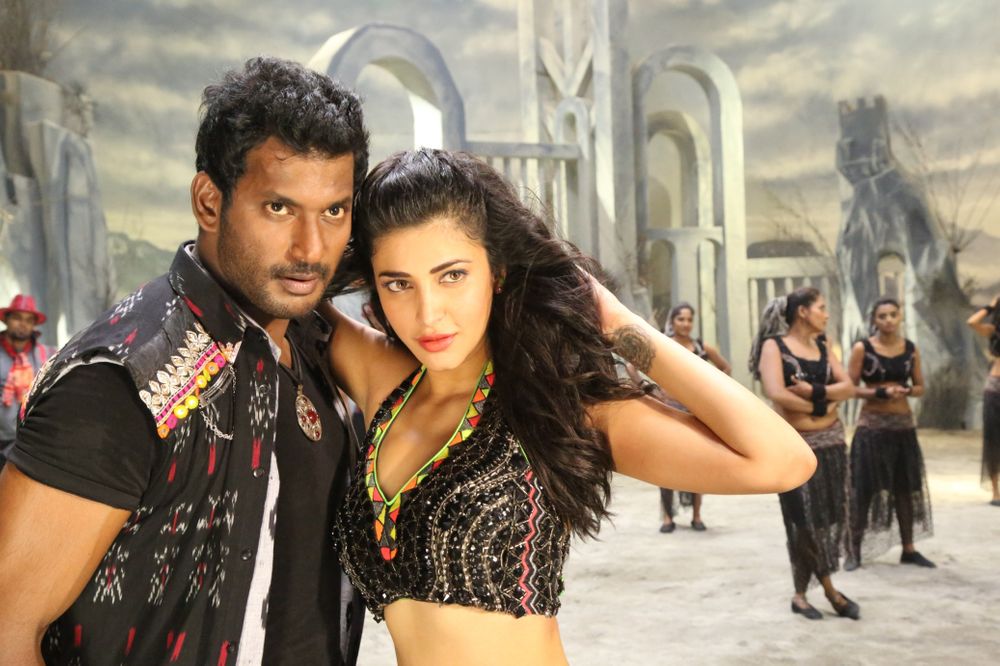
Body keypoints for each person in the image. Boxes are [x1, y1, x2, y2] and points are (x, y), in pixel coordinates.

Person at [322, 148, 817, 664]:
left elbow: (782, 461)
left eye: (452, 276)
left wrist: (617, 322)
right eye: (399, 283)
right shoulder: (384, 381)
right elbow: (287, 287)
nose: (428, 314)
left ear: (498, 272)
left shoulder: (555, 406)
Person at [0, 57, 369, 665]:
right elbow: (7, 626)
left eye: (333, 211)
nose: (311, 247)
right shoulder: (119, 383)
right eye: (279, 208)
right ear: (208, 201)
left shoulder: (316, 344)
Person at [749, 287, 859, 621]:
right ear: (802, 312)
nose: (826, 314)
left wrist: (813, 392)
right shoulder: (775, 346)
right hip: (794, 449)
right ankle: (828, 591)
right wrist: (824, 405)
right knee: (802, 521)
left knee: (827, 519)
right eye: (821, 307)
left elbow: (849, 387)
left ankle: (801, 594)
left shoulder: (823, 345)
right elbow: (777, 393)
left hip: (833, 446)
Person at [846, 297, 934, 568]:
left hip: (903, 427)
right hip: (872, 427)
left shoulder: (910, 349)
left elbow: (920, 386)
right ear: (874, 320)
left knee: (906, 488)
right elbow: (848, 388)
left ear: (900, 317)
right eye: (882, 316)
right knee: (864, 489)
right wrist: (879, 392)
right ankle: (853, 550)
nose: (888, 320)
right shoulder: (863, 348)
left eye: (893, 314)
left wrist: (907, 390)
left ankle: (908, 549)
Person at [658, 301, 731, 533]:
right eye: (681, 319)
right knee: (666, 465)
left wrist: (711, 391)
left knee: (698, 463)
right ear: (672, 321)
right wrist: (650, 391)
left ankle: (697, 516)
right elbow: (632, 366)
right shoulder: (662, 345)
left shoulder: (701, 347)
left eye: (690, 319)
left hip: (696, 413)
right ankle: (667, 517)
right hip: (670, 413)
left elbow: (725, 367)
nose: (686, 324)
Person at [0, 294, 55, 468]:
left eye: (29, 320)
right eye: (17, 318)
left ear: (34, 325)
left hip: (31, 443)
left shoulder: (46, 356)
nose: (23, 324)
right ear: (6, 319)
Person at [967, 294, 1000, 506]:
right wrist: (991, 306)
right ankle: (996, 492)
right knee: (994, 441)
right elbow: (972, 322)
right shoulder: (993, 331)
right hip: (996, 388)